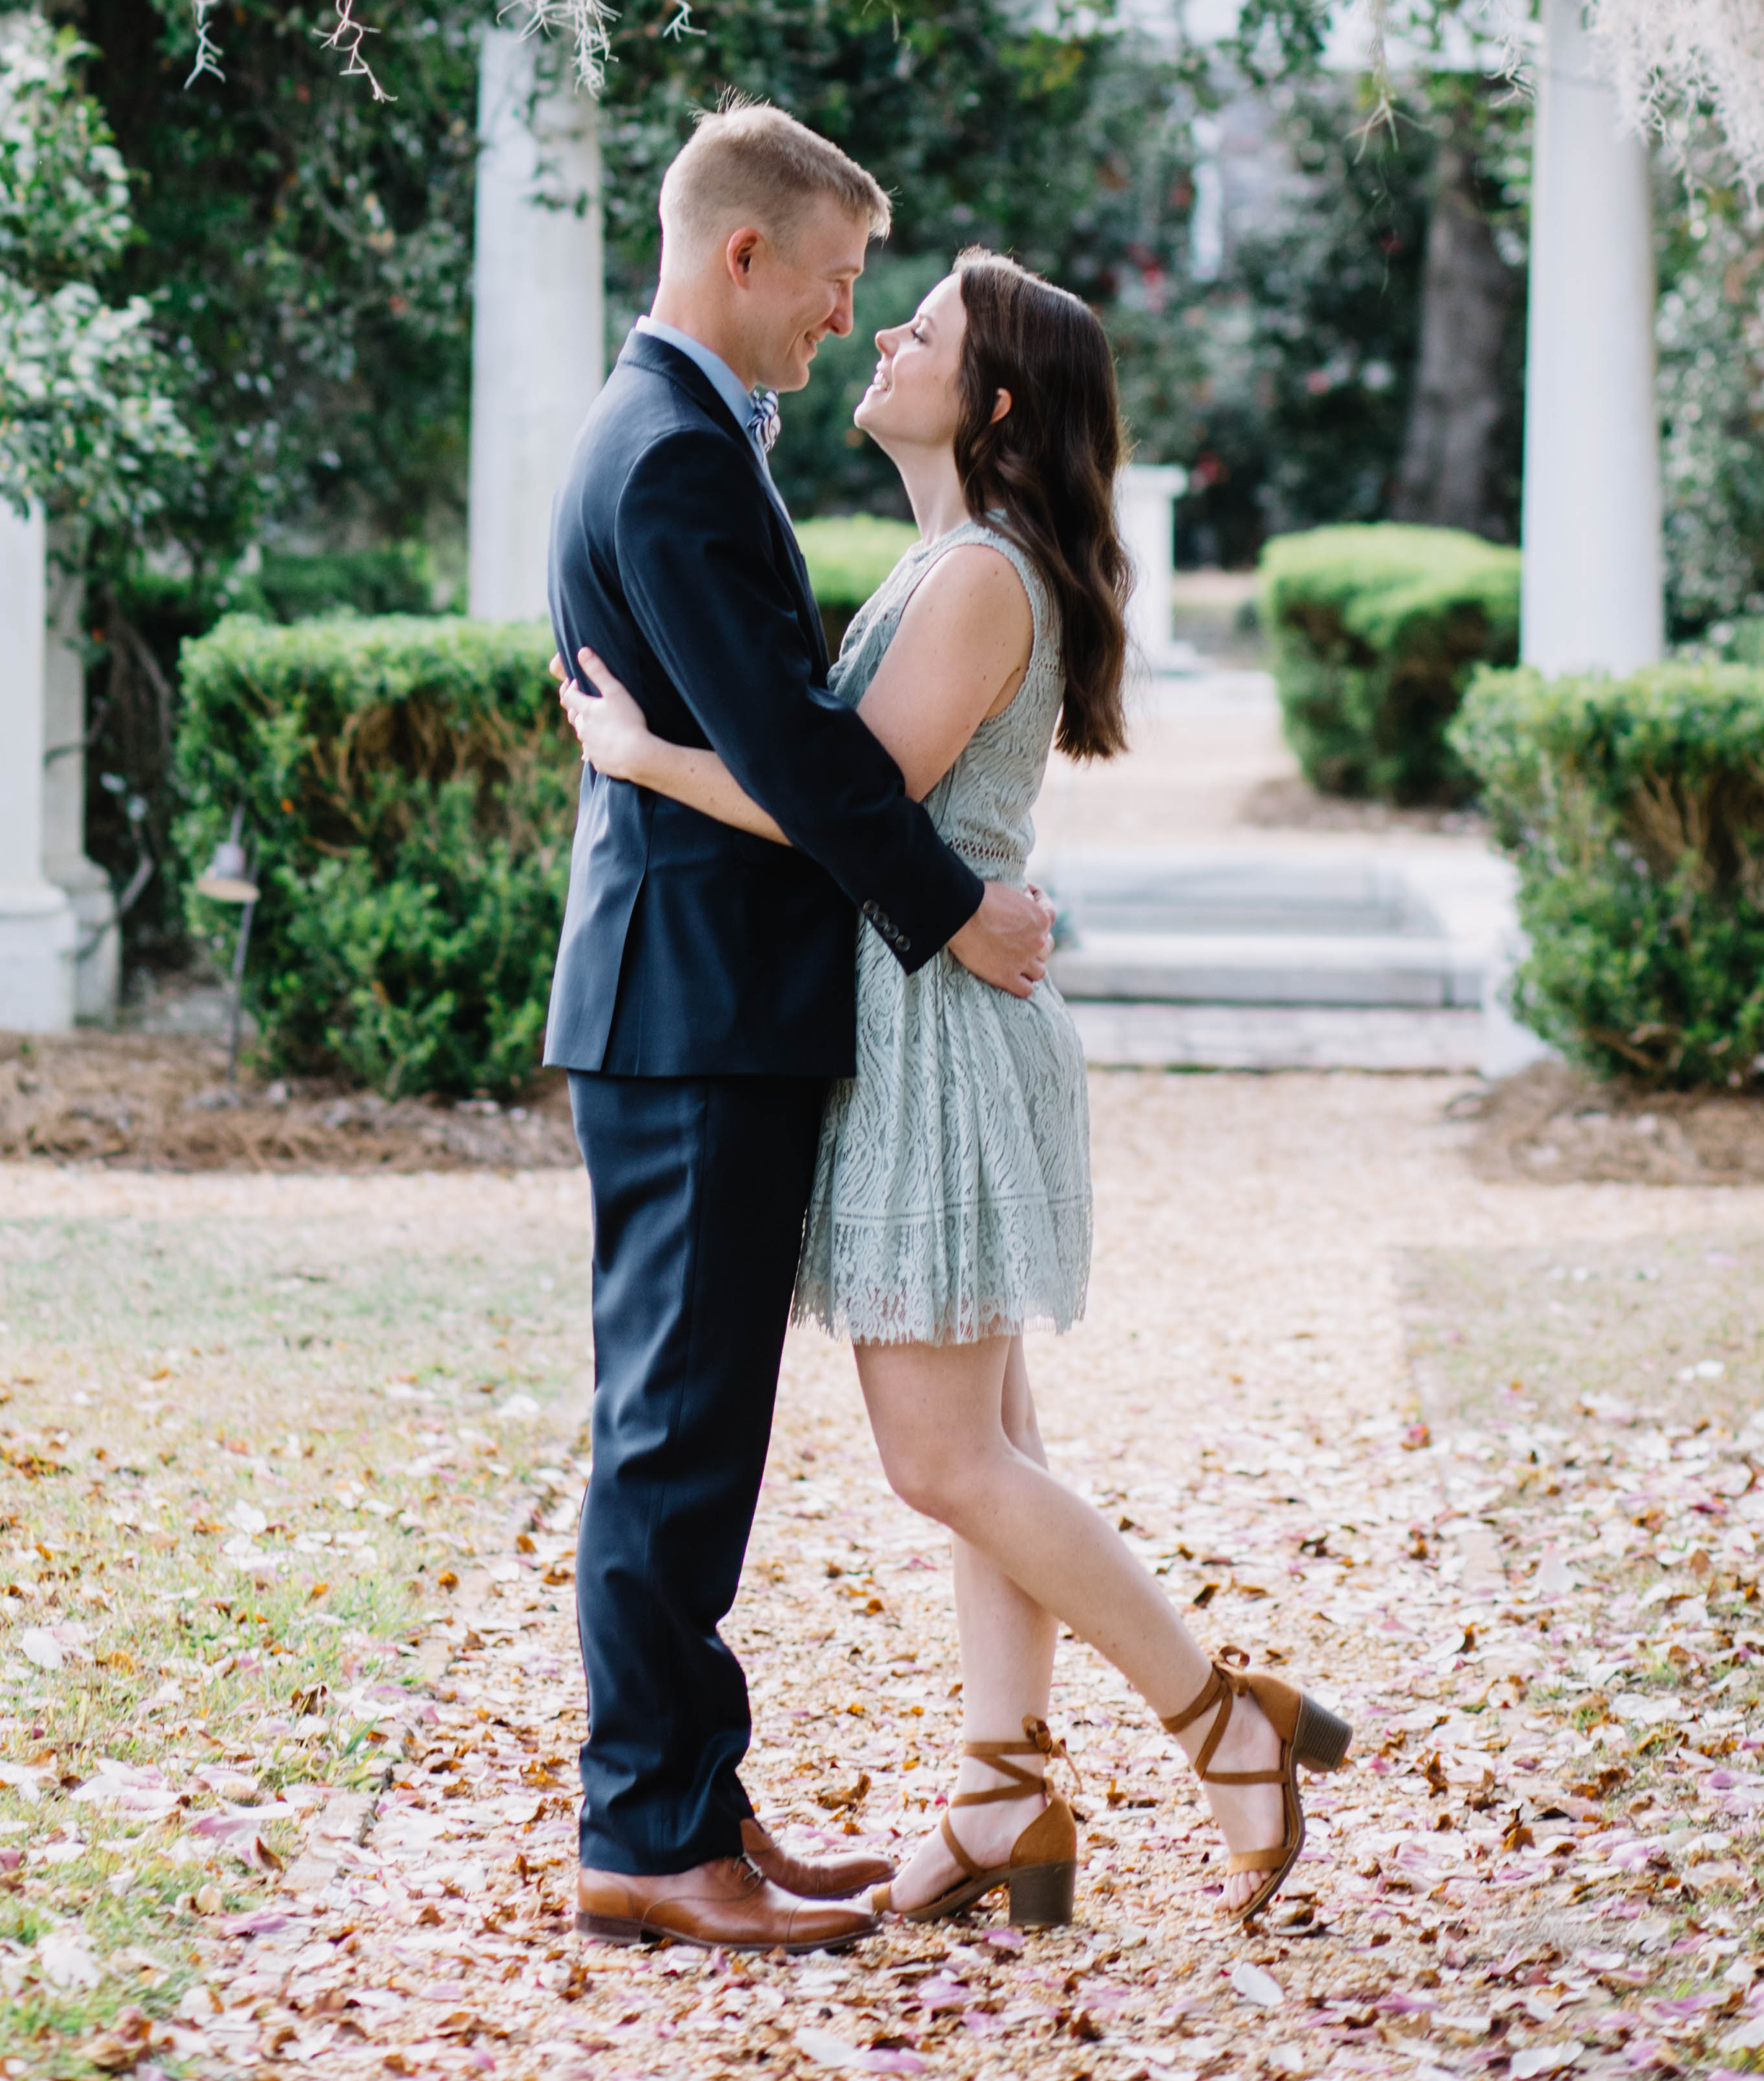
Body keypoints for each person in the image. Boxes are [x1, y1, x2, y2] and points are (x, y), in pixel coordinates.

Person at [560, 248, 1351, 1934]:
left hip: (940, 1028)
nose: (884, 334)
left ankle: (1225, 1721)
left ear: (990, 404)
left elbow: (846, 799)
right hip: (929, 1009)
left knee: (944, 1462)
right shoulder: (949, 563)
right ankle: (1002, 1795)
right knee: (994, 1445)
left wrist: (641, 762)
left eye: (922, 327)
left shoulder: (981, 574)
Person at [542, 105, 1063, 1956]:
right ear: (742, 257)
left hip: (704, 1012)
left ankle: (699, 1809)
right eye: (838, 285)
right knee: (674, 1435)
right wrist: (956, 915)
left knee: (692, 1428)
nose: (847, 321)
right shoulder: (674, 453)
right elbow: (796, 755)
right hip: (691, 1020)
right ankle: (649, 1835)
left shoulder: (690, 437)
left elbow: (764, 745)